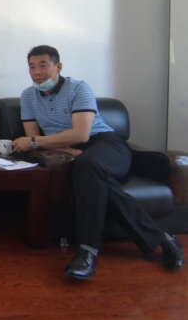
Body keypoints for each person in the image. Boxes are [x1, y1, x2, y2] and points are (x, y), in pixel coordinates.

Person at [12, 45, 185, 280]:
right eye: (32, 67)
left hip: (106, 144)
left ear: (58, 66)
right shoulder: (28, 96)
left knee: (88, 164)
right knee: (89, 170)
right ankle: (163, 239)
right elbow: (36, 141)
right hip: (70, 152)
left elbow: (80, 134)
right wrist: (64, 149)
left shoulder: (79, 88)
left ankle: (88, 252)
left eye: (43, 65)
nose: (37, 72)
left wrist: (37, 142)